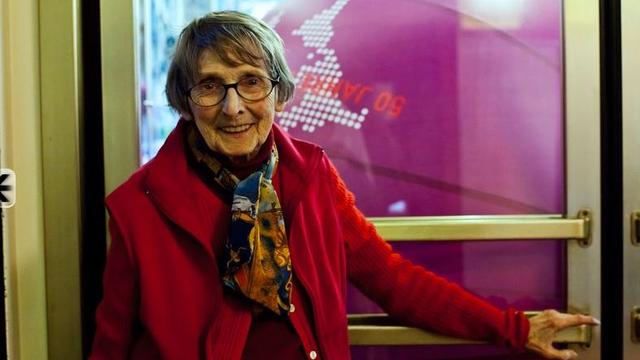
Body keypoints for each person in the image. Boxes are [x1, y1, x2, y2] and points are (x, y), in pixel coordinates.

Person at [89, 10, 598, 360]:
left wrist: (514, 328)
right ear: (185, 98)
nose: (233, 107)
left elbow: (393, 281)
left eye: (250, 81)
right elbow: (112, 346)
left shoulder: (310, 180)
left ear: (278, 91)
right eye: (209, 86)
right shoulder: (140, 206)